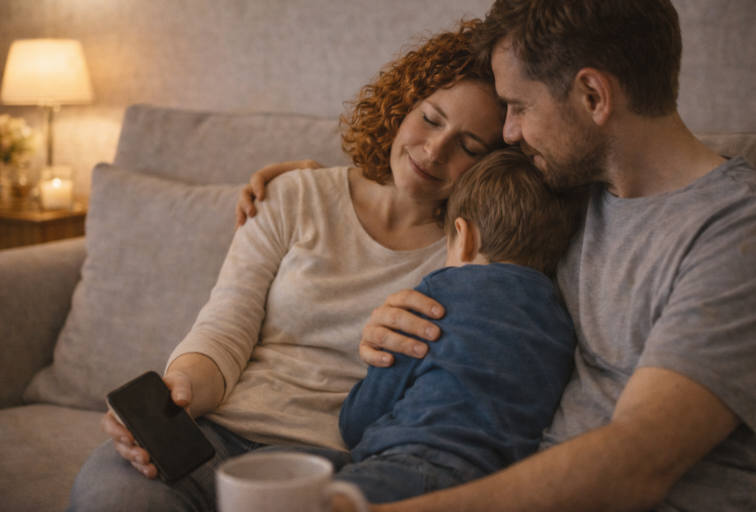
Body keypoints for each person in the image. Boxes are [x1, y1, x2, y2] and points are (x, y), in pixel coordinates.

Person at [238, 1, 756, 511]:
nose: (508, 131)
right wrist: (314, 184)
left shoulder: (733, 231)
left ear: (593, 96)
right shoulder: (568, 191)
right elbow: (447, 188)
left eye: (520, 107)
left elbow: (639, 462)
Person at [67, 19, 507, 512]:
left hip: (340, 465)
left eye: (469, 147)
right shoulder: (295, 194)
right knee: (115, 494)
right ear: (403, 105)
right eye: (430, 118)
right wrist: (182, 391)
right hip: (213, 439)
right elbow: (224, 328)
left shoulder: (473, 255)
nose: (434, 149)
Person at [328, 147, 583, 504]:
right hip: (490, 489)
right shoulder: (561, 325)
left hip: (407, 463)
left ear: (464, 237)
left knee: (286, 483)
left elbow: (358, 422)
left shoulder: (439, 294)